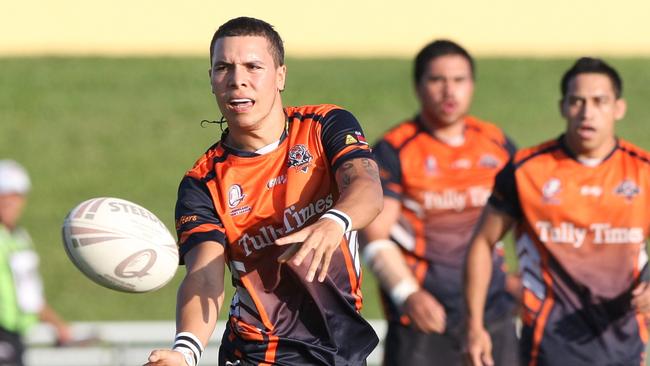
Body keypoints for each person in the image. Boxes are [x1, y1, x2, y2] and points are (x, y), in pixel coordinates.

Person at [144, 17, 383, 366]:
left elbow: (367, 188)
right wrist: (185, 351)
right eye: (223, 67)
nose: (237, 79)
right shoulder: (202, 183)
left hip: (340, 346)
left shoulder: (324, 127)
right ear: (211, 80)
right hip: (261, 353)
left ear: (281, 75)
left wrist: (334, 222)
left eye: (253, 66)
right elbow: (204, 274)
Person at [465, 57, 650, 366]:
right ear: (563, 107)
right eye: (577, 101)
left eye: (599, 101)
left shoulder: (643, 172)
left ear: (618, 108)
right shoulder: (527, 171)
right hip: (547, 349)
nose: (587, 112)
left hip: (626, 348)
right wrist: (473, 325)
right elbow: (482, 243)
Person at [360, 40, 520, 366]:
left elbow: (530, 223)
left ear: (472, 85)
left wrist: (524, 282)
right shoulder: (395, 149)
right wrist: (407, 295)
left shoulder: (497, 144)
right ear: (418, 87)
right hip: (424, 319)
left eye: (459, 80)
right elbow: (374, 236)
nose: (449, 91)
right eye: (437, 80)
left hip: (494, 313)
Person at [0, 159, 72, 366]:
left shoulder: (20, 238)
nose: (9, 204)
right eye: (3, 198)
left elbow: (28, 294)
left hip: (15, 336)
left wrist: (57, 325)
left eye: (14, 197)